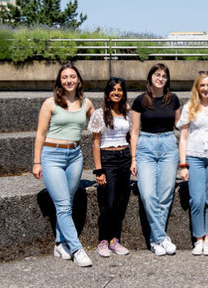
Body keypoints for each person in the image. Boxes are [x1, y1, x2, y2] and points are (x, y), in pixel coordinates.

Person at [32, 63, 95, 267]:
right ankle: (76, 248)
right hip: (52, 156)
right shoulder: (50, 103)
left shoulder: (86, 103)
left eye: (72, 76)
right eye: (65, 77)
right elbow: (40, 135)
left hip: (75, 156)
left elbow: (98, 121)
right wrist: (36, 162)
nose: (69, 80)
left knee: (66, 202)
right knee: (63, 204)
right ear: (60, 81)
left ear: (78, 80)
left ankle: (60, 243)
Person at [130, 63, 181, 256]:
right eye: (157, 75)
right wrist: (133, 158)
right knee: (148, 194)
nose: (160, 78)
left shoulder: (173, 100)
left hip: (168, 145)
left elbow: (179, 125)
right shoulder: (140, 101)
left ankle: (155, 241)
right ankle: (161, 237)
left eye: (164, 76)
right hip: (146, 147)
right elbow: (134, 132)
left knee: (165, 194)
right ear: (150, 77)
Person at [177, 71, 208, 256]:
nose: (206, 88)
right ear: (197, 87)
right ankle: (198, 239)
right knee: (197, 200)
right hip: (194, 157)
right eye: (202, 85)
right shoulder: (189, 107)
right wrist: (183, 165)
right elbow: (183, 137)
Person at [88, 77, 132, 258]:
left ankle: (115, 240)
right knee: (109, 202)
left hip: (124, 158)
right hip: (108, 159)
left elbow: (129, 137)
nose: (116, 93)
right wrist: (99, 170)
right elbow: (95, 143)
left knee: (121, 201)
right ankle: (103, 241)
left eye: (120, 90)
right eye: (113, 90)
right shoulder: (99, 113)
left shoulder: (126, 112)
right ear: (107, 93)